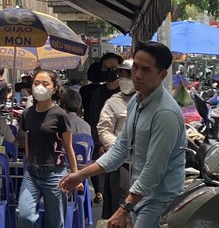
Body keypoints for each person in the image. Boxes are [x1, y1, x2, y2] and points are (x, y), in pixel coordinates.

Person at [60, 41, 187, 228]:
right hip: (140, 196)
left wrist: (124, 208)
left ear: (161, 75)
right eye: (135, 66)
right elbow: (120, 149)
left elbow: (153, 171)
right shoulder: (137, 100)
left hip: (159, 200)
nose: (137, 74)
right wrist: (81, 175)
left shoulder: (165, 113)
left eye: (146, 69)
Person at [17, 69, 81, 228]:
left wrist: (75, 175)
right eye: (36, 83)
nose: (40, 87)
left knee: (55, 222)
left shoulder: (60, 115)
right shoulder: (27, 113)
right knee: (24, 216)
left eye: (45, 84)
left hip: (55, 174)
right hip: (31, 173)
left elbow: (68, 147)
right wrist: (29, 160)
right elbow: (28, 140)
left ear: (54, 89)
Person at [97, 59, 136, 219]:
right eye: (122, 74)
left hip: (146, 162)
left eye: (129, 74)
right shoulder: (113, 102)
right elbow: (104, 129)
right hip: (122, 164)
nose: (125, 78)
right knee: (121, 205)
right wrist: (118, 146)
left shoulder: (148, 100)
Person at [88, 52, 124, 203]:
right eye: (106, 68)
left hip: (122, 150)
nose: (109, 71)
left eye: (113, 68)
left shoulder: (127, 93)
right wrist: (99, 144)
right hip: (101, 146)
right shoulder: (97, 93)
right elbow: (93, 119)